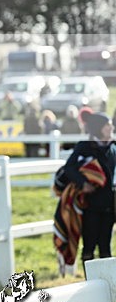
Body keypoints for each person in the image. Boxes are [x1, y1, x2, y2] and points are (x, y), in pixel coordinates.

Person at [58, 111, 116, 267]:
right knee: (89, 247)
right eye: (107, 125)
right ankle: (89, 283)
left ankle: (108, 285)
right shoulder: (84, 147)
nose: (110, 127)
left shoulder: (113, 147)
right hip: (89, 205)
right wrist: (83, 183)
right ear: (98, 128)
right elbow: (69, 168)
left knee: (106, 247)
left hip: (109, 206)